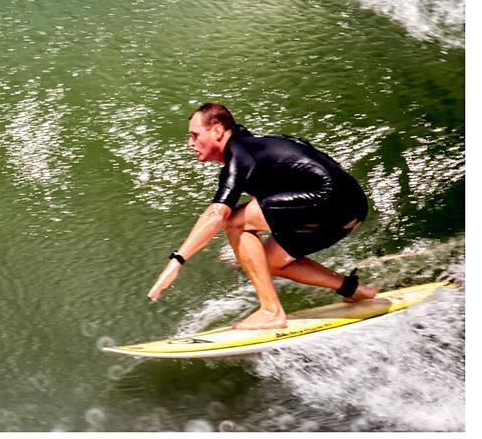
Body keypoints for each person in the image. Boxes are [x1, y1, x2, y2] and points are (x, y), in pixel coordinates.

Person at [147, 103, 377, 330]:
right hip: (352, 208)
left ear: (217, 130)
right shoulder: (260, 145)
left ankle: (271, 311)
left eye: (195, 135)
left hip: (330, 202)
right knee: (269, 262)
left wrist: (176, 261)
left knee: (234, 222)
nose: (190, 143)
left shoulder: (240, 153)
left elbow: (216, 215)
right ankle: (355, 290)